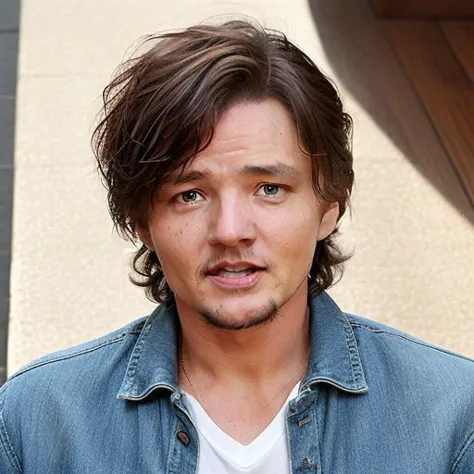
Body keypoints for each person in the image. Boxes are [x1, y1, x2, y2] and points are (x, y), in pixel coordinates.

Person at [1, 19, 473, 474]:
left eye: (268, 188)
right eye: (190, 194)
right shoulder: (35, 423)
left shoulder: (453, 417)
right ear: (142, 220)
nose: (230, 230)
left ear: (328, 206)